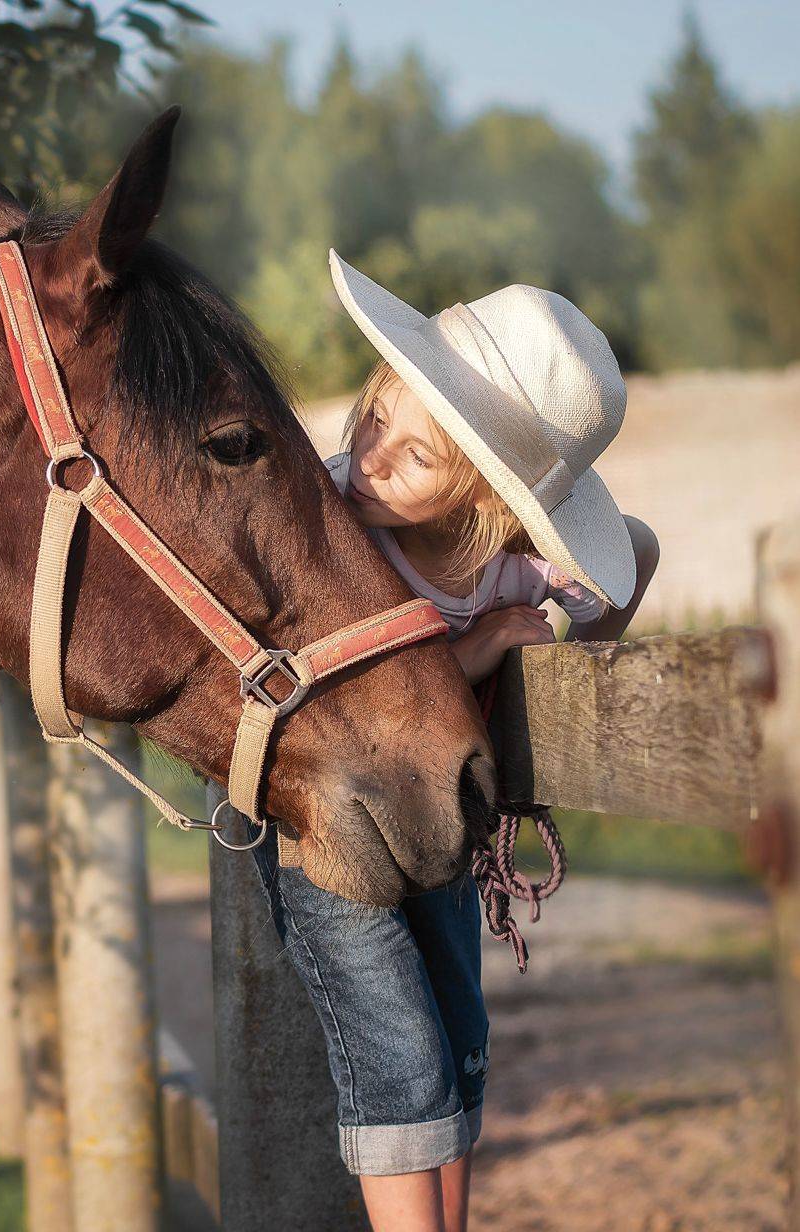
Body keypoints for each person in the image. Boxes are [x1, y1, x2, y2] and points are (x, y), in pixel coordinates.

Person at [250, 252, 661, 1232]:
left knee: (456, 1031)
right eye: (375, 418)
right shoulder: (328, 526)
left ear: (487, 503)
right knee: (396, 1045)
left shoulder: (512, 566)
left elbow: (634, 553)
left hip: (438, 820)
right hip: (331, 820)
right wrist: (472, 653)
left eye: (416, 457)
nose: (371, 457)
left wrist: (552, 676)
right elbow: (328, 687)